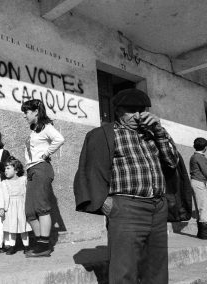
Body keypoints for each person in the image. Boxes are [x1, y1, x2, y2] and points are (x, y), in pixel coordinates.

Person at [74, 88, 179, 283]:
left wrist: (159, 131)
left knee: (156, 268)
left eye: (141, 110)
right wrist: (105, 202)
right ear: (118, 111)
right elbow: (90, 170)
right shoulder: (104, 134)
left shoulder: (153, 133)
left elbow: (172, 162)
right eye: (131, 111)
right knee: (124, 270)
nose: (137, 116)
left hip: (157, 208)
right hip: (126, 208)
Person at [21, 99, 65, 257]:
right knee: (30, 211)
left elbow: (60, 139)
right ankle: (40, 242)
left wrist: (47, 153)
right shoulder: (35, 131)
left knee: (41, 207)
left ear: (36, 112)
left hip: (41, 168)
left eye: (26, 112)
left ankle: (44, 245)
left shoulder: (46, 127)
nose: (24, 116)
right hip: (32, 170)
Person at [0, 156, 32, 255]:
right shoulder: (4, 183)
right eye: (5, 169)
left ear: (16, 170)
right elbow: (1, 196)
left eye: (8, 168)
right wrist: (1, 208)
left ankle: (26, 246)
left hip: (22, 206)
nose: (5, 171)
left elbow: (29, 191)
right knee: (12, 227)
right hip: (11, 208)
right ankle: (12, 246)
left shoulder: (23, 180)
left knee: (23, 227)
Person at [190, 137, 207, 239]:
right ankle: (204, 234)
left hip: (196, 182)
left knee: (199, 208)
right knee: (203, 208)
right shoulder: (200, 157)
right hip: (199, 183)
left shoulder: (194, 156)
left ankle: (201, 233)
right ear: (205, 148)